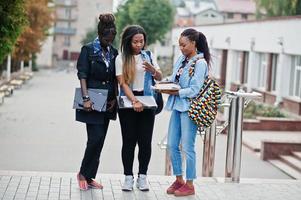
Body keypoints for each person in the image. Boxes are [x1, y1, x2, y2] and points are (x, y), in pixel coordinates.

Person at [161, 28, 210, 196]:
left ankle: (190, 184)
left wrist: (177, 92)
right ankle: (179, 179)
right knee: (172, 144)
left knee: (188, 147)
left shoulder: (200, 63)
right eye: (179, 45)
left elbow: (195, 89)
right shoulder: (182, 59)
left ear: (194, 44)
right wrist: (163, 84)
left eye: (184, 45)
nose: (181, 48)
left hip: (190, 108)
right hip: (177, 106)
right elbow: (174, 78)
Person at [115, 25, 163, 191]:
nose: (139, 45)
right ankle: (128, 177)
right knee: (128, 141)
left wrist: (153, 70)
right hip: (128, 102)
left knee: (145, 142)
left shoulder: (148, 55)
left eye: (141, 41)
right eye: (135, 41)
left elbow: (160, 77)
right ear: (128, 42)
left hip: (148, 102)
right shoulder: (121, 58)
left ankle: (143, 177)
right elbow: (123, 83)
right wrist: (134, 101)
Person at [75, 13, 118, 190]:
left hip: (107, 102)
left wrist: (114, 98)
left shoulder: (113, 52)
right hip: (91, 100)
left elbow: (115, 77)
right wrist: (85, 98)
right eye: (107, 39)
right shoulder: (88, 49)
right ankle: (82, 173)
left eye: (112, 38)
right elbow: (82, 75)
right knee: (95, 138)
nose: (110, 42)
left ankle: (90, 176)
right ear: (100, 35)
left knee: (100, 141)